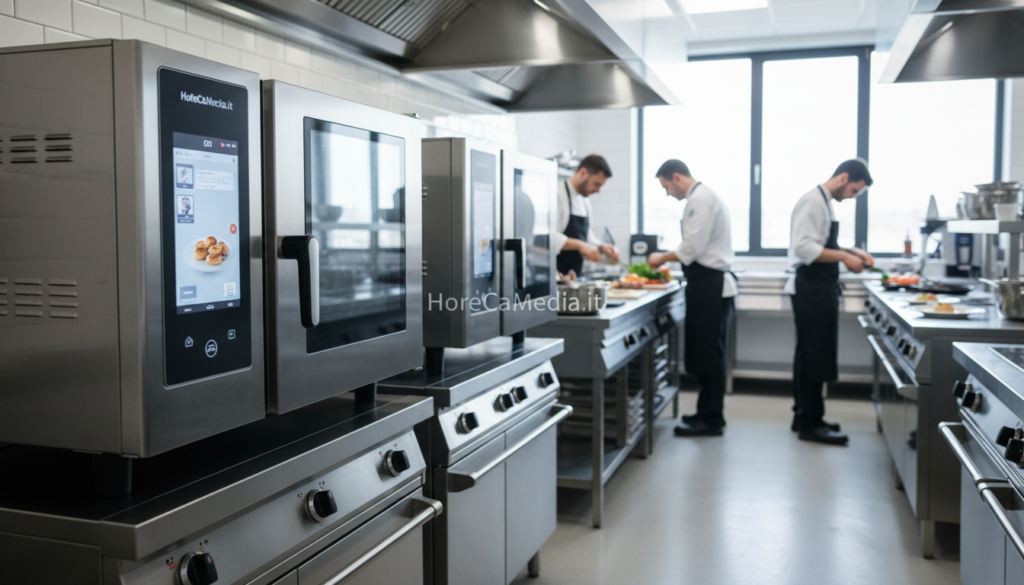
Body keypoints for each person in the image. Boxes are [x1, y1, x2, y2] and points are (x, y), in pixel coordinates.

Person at [787, 158, 875, 446]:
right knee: (814, 356)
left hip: (818, 287)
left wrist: (853, 252)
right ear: (843, 178)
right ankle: (811, 424)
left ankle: (804, 416)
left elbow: (823, 243)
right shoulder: (813, 202)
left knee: (809, 356)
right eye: (854, 191)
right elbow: (804, 247)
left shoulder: (824, 202)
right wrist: (845, 258)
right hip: (811, 287)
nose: (852, 197)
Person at [647, 159, 737, 437]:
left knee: (709, 354)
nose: (668, 193)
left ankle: (710, 419)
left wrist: (660, 257)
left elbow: (692, 249)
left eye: (666, 186)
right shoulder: (702, 198)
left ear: (676, 176)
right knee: (706, 352)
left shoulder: (700, 200)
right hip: (705, 284)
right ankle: (706, 413)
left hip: (710, 285)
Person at [556, 154, 620, 276]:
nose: (598, 191)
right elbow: (546, 237)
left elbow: (587, 237)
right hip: (557, 275)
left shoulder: (585, 201)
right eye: (597, 184)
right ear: (583, 173)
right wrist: (580, 245)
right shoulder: (557, 193)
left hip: (576, 276)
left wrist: (601, 247)